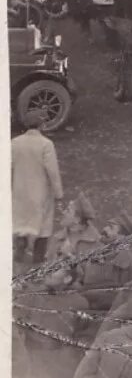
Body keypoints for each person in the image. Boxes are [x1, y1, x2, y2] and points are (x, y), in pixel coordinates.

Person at [12, 110, 64, 266]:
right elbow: (52, 171)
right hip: (40, 190)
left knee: (21, 220)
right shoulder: (46, 144)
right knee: (43, 224)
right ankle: (37, 259)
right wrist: (58, 193)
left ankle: (19, 252)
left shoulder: (15, 142)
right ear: (42, 125)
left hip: (20, 189)